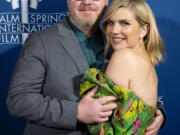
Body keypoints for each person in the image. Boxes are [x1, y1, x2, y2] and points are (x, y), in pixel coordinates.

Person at [7, 0, 164, 135]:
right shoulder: (40, 42)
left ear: (105, 2)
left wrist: (156, 113)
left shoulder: (117, 42)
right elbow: (18, 100)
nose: (87, 1)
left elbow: (131, 91)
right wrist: (76, 112)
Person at [80, 0, 165, 134]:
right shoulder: (147, 61)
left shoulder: (123, 57)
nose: (114, 30)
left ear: (144, 29)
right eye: (110, 23)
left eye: (124, 23)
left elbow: (102, 126)